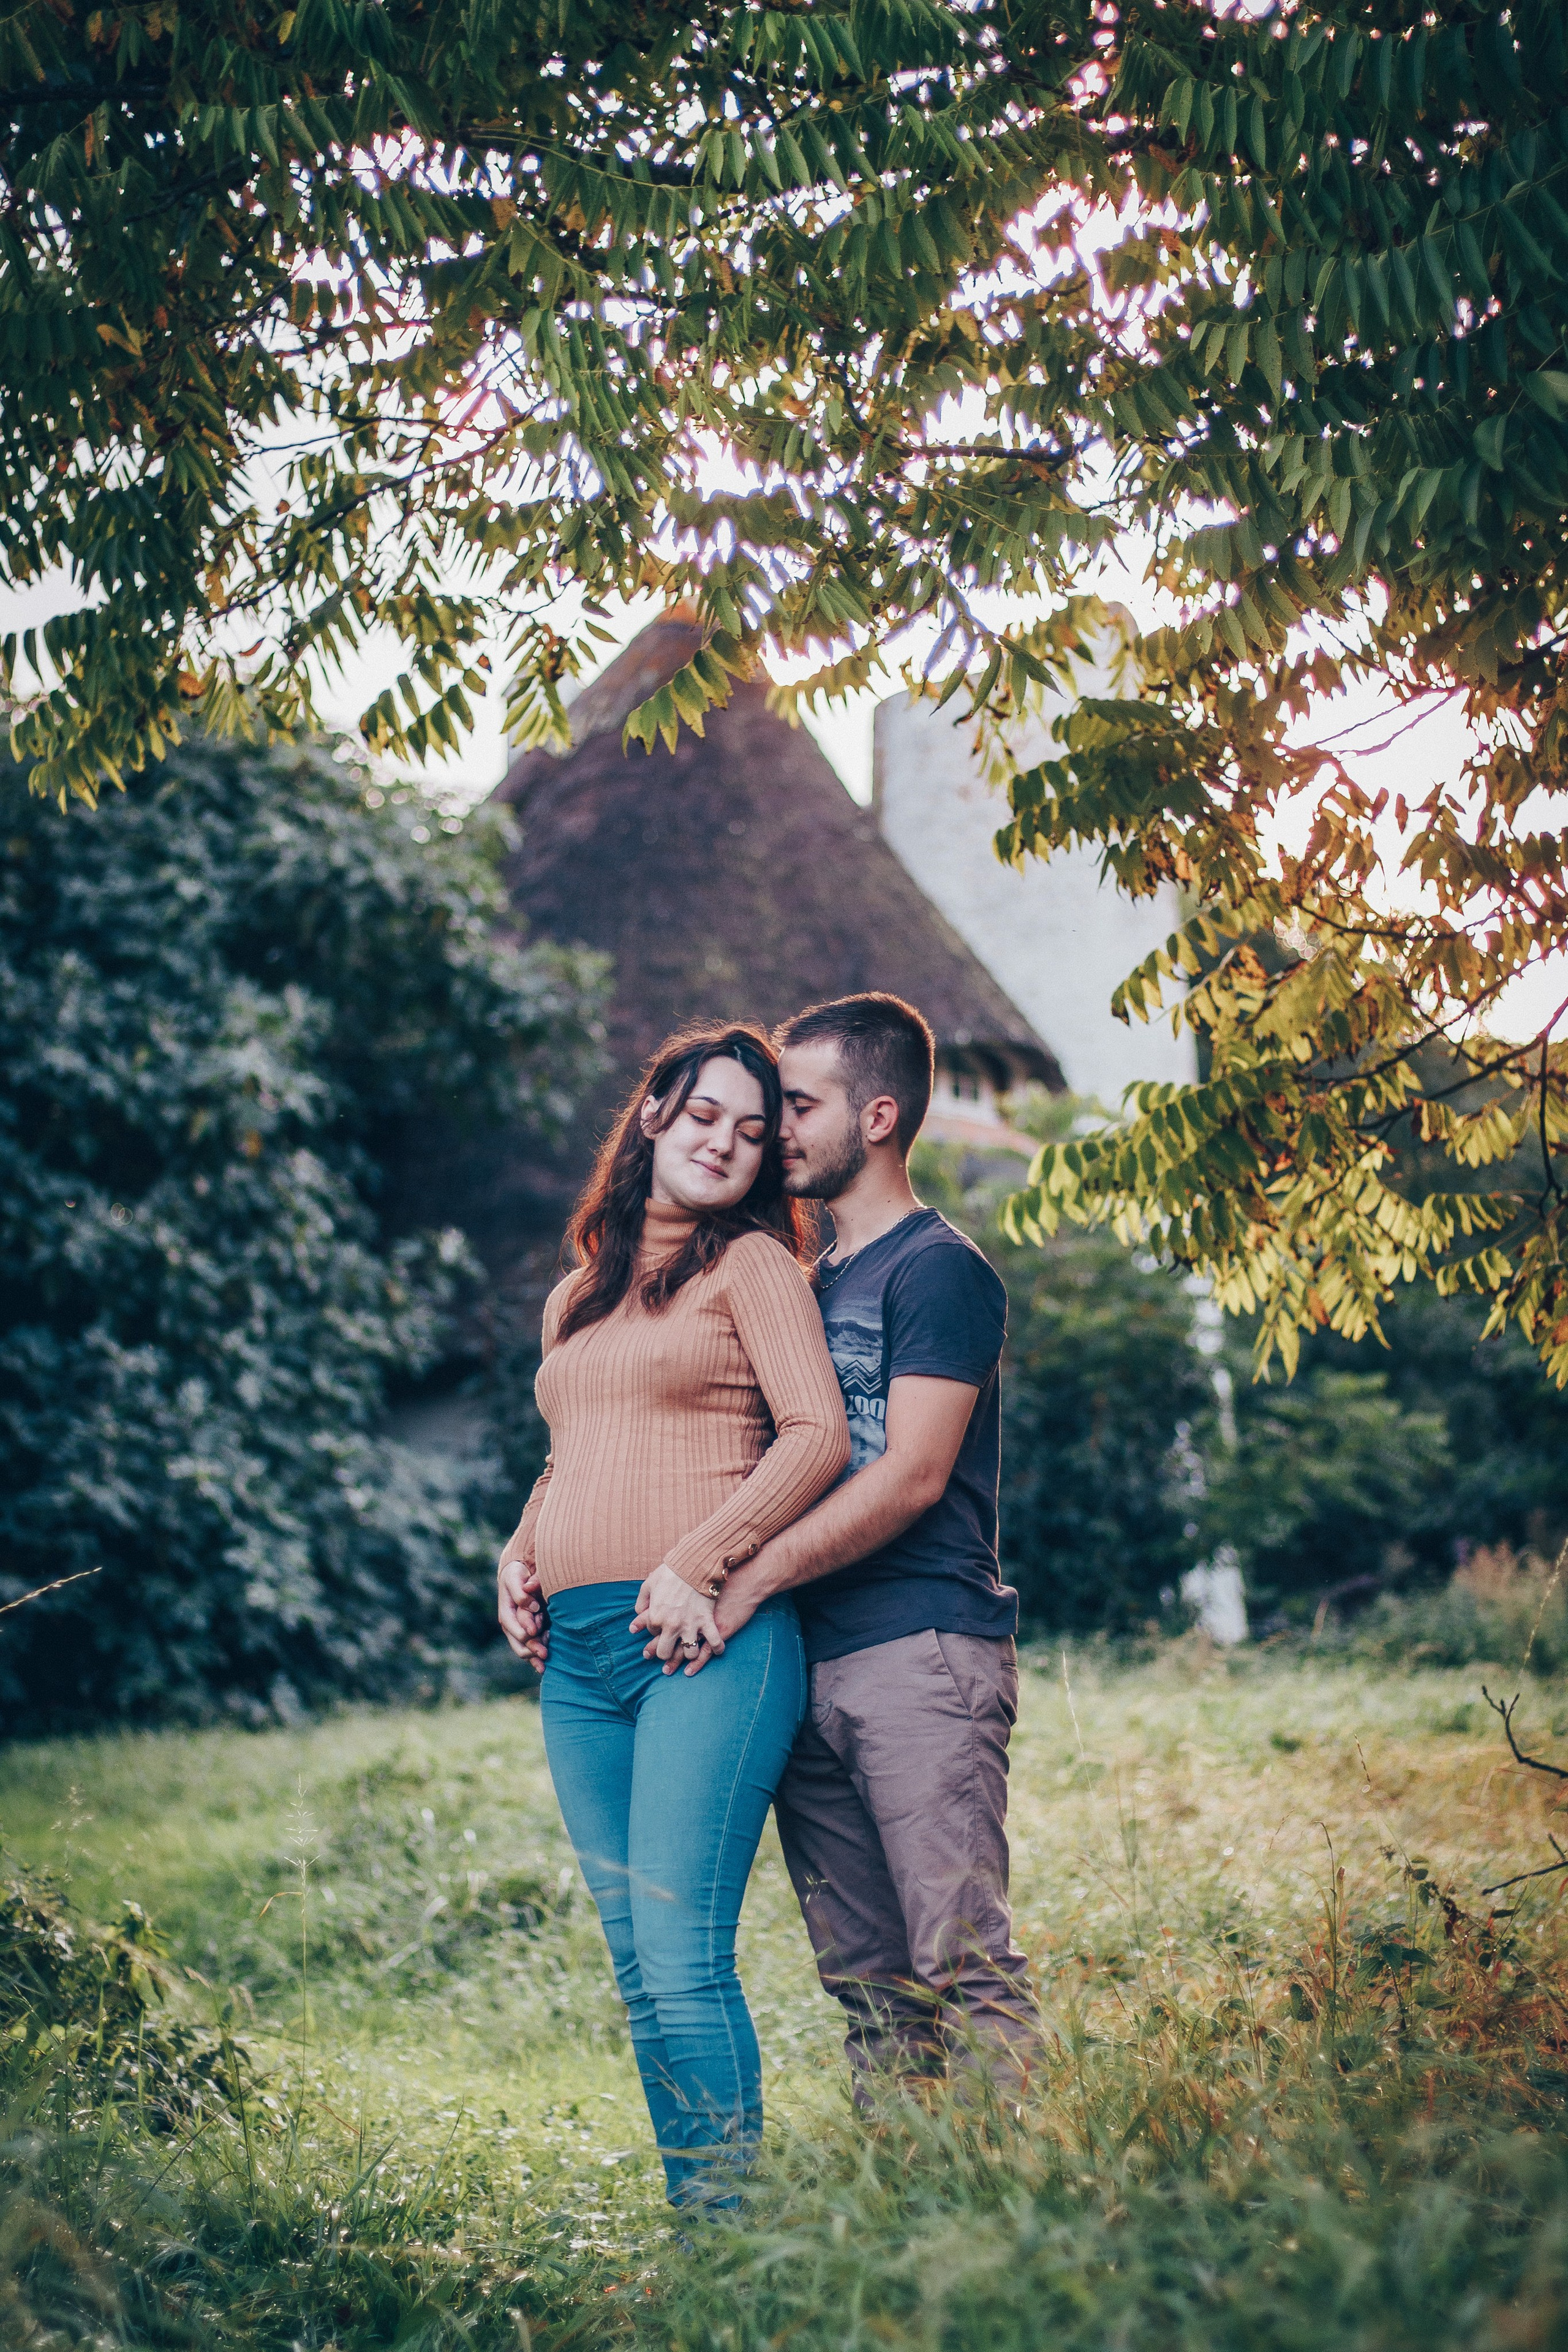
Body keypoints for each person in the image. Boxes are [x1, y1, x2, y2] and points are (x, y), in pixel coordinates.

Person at [494, 1023, 850, 2211]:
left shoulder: (749, 1267)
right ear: (652, 1115)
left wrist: (700, 1562)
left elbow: (817, 1438)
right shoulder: (570, 1302)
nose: (726, 1145)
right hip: (579, 1666)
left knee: (681, 1961)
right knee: (636, 1973)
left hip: (704, 1644)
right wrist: (520, 1545)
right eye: (705, 1116)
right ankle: (697, 2233)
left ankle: (727, 2247)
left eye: (753, 1134)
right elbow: (571, 1455)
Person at [687, 993, 1039, 2101]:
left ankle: (1027, 2210)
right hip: (808, 1660)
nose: (773, 1128)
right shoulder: (808, 1282)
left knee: (965, 1961)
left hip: (919, 1651)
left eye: (799, 1105)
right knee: (871, 1987)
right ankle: (906, 2220)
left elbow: (912, 1474)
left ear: (878, 1115)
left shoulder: (939, 1269)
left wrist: (744, 1580)